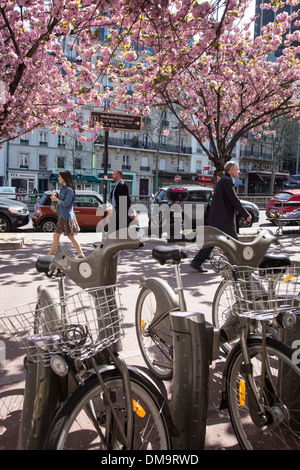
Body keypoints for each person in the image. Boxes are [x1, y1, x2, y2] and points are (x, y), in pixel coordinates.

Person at [191, 161, 251, 273]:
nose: (239, 171)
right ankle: (237, 265)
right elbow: (233, 199)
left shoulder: (225, 180)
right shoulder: (226, 181)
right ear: (231, 170)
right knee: (233, 240)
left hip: (220, 218)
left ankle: (197, 262)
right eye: (237, 169)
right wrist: (246, 214)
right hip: (224, 219)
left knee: (214, 241)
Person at [48, 170, 84, 257]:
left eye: (59, 176)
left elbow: (66, 204)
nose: (58, 178)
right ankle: (50, 254)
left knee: (70, 237)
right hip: (62, 216)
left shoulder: (69, 190)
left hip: (67, 217)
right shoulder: (63, 188)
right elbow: (61, 198)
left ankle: (81, 254)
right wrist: (55, 194)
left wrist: (56, 200)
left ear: (64, 178)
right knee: (57, 236)